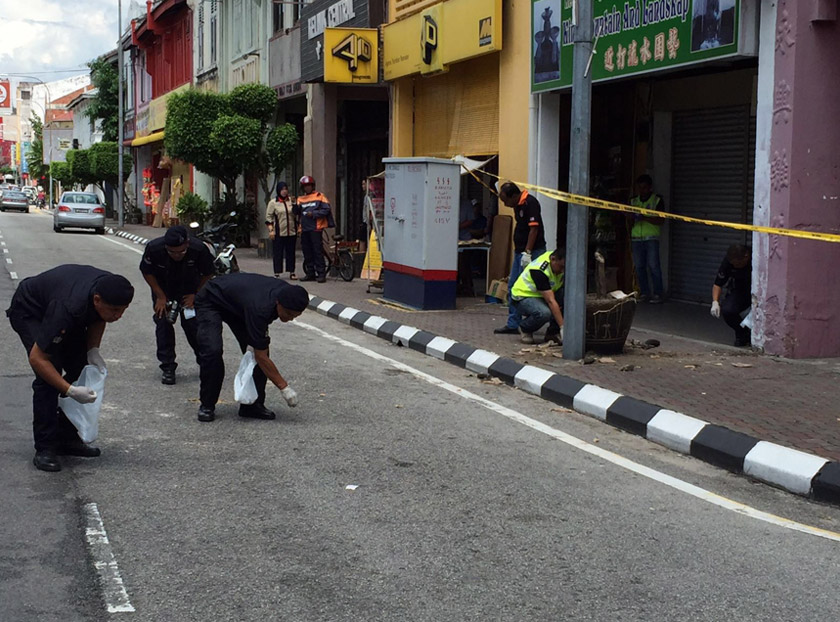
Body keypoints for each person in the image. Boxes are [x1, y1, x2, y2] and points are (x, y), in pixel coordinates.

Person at [5, 266, 134, 472]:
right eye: (115, 310)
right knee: (49, 374)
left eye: (123, 310)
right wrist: (69, 390)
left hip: (66, 307)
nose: (118, 316)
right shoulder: (67, 307)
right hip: (31, 310)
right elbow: (38, 358)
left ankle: (66, 437)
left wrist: (93, 350)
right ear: (97, 299)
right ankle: (45, 447)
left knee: (83, 368)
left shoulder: (107, 287)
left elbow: (99, 318)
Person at [194, 273, 309, 422]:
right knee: (213, 351)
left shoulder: (288, 294)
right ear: (278, 303)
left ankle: (252, 405)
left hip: (240, 305)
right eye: (288, 313)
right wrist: (284, 388)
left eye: (295, 316)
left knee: (259, 348)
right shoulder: (262, 308)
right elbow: (261, 357)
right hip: (212, 300)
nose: (289, 319)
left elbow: (260, 350)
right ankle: (207, 405)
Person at [140, 225, 215, 385]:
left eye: (181, 252)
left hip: (190, 289)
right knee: (163, 323)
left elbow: (208, 273)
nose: (176, 255)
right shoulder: (154, 248)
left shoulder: (199, 249)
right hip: (164, 289)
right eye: (172, 252)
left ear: (187, 244)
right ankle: (168, 367)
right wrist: (160, 296)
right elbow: (147, 272)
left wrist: (196, 294)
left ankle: (205, 363)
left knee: (193, 325)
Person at [493, 182, 547, 335]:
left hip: (533, 252)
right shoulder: (517, 205)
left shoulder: (530, 203)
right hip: (520, 252)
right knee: (513, 287)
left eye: (505, 200)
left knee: (534, 287)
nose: (505, 204)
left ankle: (536, 320)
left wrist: (528, 251)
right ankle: (513, 323)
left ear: (514, 196)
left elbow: (534, 229)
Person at [509, 249, 565, 344]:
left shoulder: (556, 259)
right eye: (561, 267)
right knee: (544, 313)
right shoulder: (539, 270)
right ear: (553, 259)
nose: (562, 271)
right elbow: (551, 301)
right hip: (523, 297)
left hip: (542, 294)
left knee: (567, 300)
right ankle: (525, 328)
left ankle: (552, 333)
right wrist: (563, 327)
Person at [628, 174, 666, 303]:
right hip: (636, 238)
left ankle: (658, 294)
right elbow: (628, 217)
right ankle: (644, 293)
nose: (641, 191)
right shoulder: (633, 201)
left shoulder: (657, 200)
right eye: (639, 188)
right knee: (639, 267)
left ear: (650, 188)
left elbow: (661, 220)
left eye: (644, 188)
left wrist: (644, 218)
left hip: (651, 238)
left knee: (653, 266)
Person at [294, 175, 334, 283]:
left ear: (313, 186)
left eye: (309, 186)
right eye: (305, 186)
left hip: (316, 228)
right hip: (304, 229)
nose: (307, 188)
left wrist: (314, 214)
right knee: (307, 252)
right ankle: (310, 273)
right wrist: (294, 205)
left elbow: (326, 210)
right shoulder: (300, 199)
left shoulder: (320, 196)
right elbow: (296, 213)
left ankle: (321, 274)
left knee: (317, 252)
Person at [711, 244, 752, 347]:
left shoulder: (757, 256)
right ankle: (742, 333)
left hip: (758, 290)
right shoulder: (729, 261)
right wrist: (715, 302)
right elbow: (718, 284)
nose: (735, 266)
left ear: (746, 257)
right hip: (740, 289)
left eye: (738, 264)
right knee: (728, 310)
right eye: (733, 264)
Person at [266, 181, 298, 280]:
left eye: (285, 189)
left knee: (291, 253)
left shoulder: (291, 201)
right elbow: (269, 217)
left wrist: (295, 204)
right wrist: (271, 230)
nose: (284, 191)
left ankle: (292, 272)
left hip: (291, 231)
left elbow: (296, 213)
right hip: (279, 232)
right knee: (278, 253)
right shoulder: (273, 202)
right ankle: (277, 272)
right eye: (282, 189)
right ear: (278, 190)